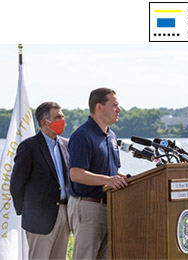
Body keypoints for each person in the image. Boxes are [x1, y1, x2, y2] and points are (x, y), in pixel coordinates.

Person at [68, 87, 127, 259]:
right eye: (114, 105)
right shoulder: (82, 136)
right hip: (88, 207)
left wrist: (128, 179)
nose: (119, 109)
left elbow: (113, 171)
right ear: (99, 107)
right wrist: (109, 180)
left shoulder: (111, 136)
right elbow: (76, 174)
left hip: (109, 206)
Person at [10, 101, 70, 260]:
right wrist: (27, 211)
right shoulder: (29, 147)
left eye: (63, 116)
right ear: (44, 122)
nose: (63, 121)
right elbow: (16, 184)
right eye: (58, 117)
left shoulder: (66, 144)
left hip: (64, 214)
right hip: (39, 219)